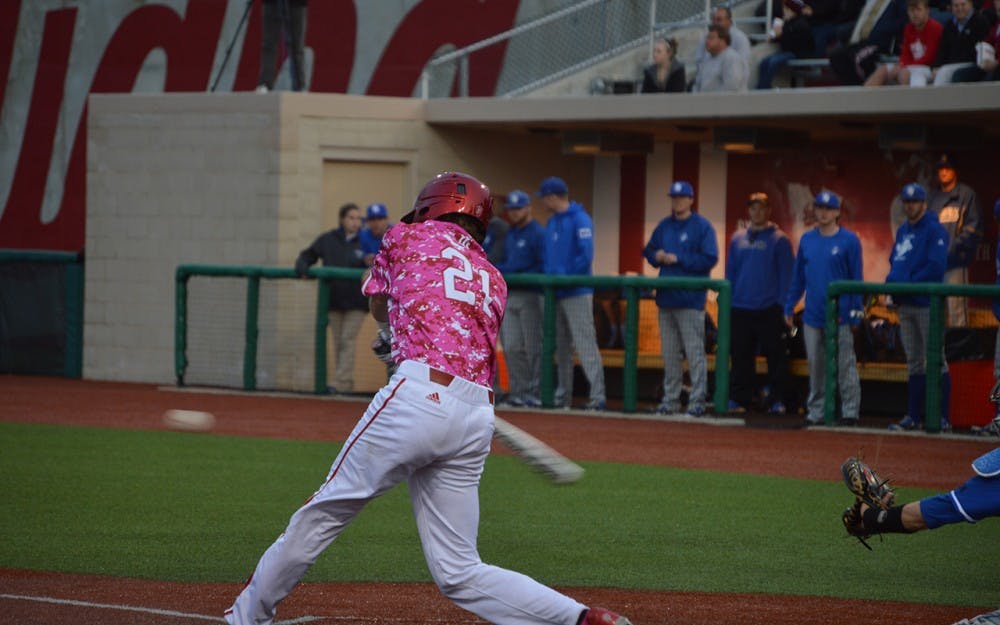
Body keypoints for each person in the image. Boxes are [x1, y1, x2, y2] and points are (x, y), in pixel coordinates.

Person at [224, 172, 634, 625]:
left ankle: (245, 618)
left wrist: (387, 334)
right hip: (476, 413)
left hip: (418, 397)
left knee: (323, 514)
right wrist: (397, 340)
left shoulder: (405, 236)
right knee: (460, 570)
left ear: (431, 207)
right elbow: (452, 327)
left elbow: (379, 302)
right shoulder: (495, 278)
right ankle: (580, 618)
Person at [784, 191, 864, 426]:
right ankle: (816, 411)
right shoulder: (808, 240)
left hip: (840, 316)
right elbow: (799, 277)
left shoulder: (849, 240)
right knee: (816, 365)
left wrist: (853, 312)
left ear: (838, 212)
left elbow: (856, 279)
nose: (823, 213)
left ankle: (850, 411)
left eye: (829, 208)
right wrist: (789, 305)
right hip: (813, 314)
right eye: (820, 208)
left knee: (845, 364)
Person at [643, 181, 719, 417]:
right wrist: (656, 255)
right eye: (674, 198)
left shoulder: (702, 226)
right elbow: (648, 251)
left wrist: (678, 259)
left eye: (681, 197)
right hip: (666, 299)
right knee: (670, 354)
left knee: (694, 353)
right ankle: (671, 400)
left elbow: (709, 258)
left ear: (690, 200)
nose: (677, 201)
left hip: (690, 300)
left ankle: (697, 401)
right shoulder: (665, 226)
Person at [884, 183, 951, 432]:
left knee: (936, 360)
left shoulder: (935, 230)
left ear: (924, 203)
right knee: (913, 361)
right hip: (905, 304)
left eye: (914, 201)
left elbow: (935, 268)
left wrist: (906, 284)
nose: (910, 205)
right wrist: (892, 283)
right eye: (907, 201)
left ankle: (942, 418)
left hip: (926, 304)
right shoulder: (903, 230)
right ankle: (912, 416)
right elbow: (895, 261)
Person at [537, 176, 607, 411]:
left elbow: (586, 256)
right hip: (556, 293)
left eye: (545, 198)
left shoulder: (580, 219)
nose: (543, 203)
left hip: (577, 291)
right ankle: (562, 397)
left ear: (553, 197)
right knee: (561, 346)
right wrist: (551, 275)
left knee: (585, 343)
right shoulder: (552, 222)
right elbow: (547, 256)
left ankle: (598, 397)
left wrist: (563, 275)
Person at [726, 192, 795, 414]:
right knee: (740, 357)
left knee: (776, 358)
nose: (757, 212)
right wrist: (727, 303)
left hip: (769, 309)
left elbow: (787, 276)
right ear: (748, 211)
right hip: (740, 308)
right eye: (753, 208)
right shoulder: (737, 238)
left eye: (761, 208)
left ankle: (778, 400)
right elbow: (731, 273)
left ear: (768, 211)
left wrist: (784, 306)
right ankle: (740, 399)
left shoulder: (780, 239)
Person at [294, 202, 367, 394]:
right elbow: (307, 255)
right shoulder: (328, 239)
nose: (355, 222)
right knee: (338, 342)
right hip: (333, 301)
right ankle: (344, 384)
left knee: (347, 340)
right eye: (351, 217)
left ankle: (341, 383)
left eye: (358, 218)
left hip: (357, 302)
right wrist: (302, 268)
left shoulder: (366, 241)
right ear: (342, 219)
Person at [495, 190, 546, 408]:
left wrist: (513, 270)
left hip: (532, 295)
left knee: (534, 347)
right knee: (512, 346)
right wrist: (511, 270)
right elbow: (505, 261)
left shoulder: (538, 233)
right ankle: (520, 391)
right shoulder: (511, 233)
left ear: (528, 208)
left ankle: (537, 392)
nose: (514, 213)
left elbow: (543, 265)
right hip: (511, 294)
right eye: (511, 209)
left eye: (518, 208)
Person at [927, 154, 983, 327]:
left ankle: (958, 354)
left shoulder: (966, 194)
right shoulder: (933, 198)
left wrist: (953, 248)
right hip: (935, 266)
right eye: (940, 169)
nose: (943, 172)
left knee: (957, 312)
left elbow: (973, 228)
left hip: (956, 264)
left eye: (947, 168)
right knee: (935, 312)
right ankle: (938, 354)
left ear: (955, 171)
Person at [865, 0, 944, 86]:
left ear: (927, 11)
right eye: (911, 10)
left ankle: (907, 99)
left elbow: (929, 58)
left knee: (904, 73)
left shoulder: (935, 28)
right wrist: (901, 64)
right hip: (909, 65)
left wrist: (904, 66)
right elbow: (905, 53)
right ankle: (863, 96)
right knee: (882, 70)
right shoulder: (908, 28)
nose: (915, 14)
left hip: (928, 67)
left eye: (918, 10)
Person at [757, 0, 817, 89]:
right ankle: (764, 86)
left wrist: (782, 32)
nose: (784, 11)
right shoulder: (786, 23)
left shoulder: (801, 22)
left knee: (773, 62)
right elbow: (779, 37)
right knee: (764, 62)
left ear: (794, 11)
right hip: (787, 52)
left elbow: (795, 39)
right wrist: (773, 36)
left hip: (798, 53)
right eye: (785, 9)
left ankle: (762, 89)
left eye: (787, 9)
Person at [932, 0, 990, 83]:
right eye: (956, 6)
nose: (959, 8)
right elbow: (943, 50)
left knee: (944, 72)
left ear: (970, 4)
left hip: (973, 64)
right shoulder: (949, 25)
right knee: (940, 71)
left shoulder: (980, 21)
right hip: (952, 65)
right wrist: (937, 66)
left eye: (963, 5)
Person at [256, 0, 308, 92]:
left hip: (297, 4)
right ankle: (265, 83)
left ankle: (299, 86)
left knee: (296, 47)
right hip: (272, 3)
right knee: (269, 45)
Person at [692, 25, 749, 92]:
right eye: (707, 38)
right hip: (704, 101)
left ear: (722, 41)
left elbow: (731, 87)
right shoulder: (707, 59)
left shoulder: (732, 58)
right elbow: (697, 84)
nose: (707, 41)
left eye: (711, 38)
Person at [694, 7, 753, 71]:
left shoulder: (740, 39)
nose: (715, 23)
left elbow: (741, 66)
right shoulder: (707, 36)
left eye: (719, 20)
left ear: (729, 22)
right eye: (713, 20)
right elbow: (698, 59)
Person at [359, 203, 392, 267]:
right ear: (367, 221)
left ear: (387, 220)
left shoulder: (394, 236)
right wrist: (363, 260)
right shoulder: (362, 236)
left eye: (380, 219)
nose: (376, 223)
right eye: (372, 219)